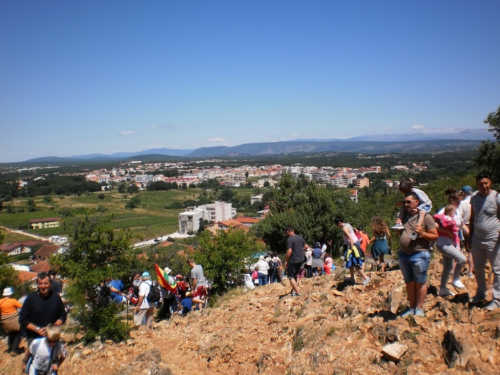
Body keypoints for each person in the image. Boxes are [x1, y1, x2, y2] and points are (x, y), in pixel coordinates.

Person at [398, 192, 438, 318]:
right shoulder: (403, 217)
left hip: (419, 253)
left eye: (408, 202)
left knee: (420, 282)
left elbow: (435, 235)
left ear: (417, 202)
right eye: (404, 202)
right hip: (404, 254)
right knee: (409, 282)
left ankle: (419, 308)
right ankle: (411, 307)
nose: (406, 204)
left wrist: (422, 233)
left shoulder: (426, 217)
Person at [469, 173, 500, 310]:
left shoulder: (496, 197)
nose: (484, 186)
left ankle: (497, 299)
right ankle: (481, 293)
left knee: (497, 269)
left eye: (486, 183)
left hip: (493, 238)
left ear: (490, 182)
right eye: (481, 184)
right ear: (477, 185)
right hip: (477, 239)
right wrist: (470, 236)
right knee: (479, 268)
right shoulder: (474, 198)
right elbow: (472, 217)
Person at [19, 272, 67, 347]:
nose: (43, 286)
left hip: (52, 337)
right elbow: (23, 319)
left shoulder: (56, 298)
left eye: (45, 283)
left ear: (51, 284)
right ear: (37, 285)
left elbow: (62, 316)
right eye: (40, 284)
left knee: (53, 357)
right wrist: (37, 329)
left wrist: (52, 327)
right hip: (34, 337)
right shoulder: (31, 298)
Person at [334, 217, 370, 286]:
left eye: (336, 224)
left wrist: (352, 248)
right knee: (350, 262)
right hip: (355, 243)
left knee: (354, 262)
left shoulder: (345, 228)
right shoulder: (348, 224)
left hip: (353, 245)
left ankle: (365, 278)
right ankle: (352, 277)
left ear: (339, 223)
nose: (337, 226)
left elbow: (350, 238)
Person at [284, 227, 307, 297]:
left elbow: (289, 251)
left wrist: (286, 261)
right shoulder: (300, 237)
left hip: (294, 259)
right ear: (293, 231)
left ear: (287, 232)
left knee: (290, 276)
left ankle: (297, 292)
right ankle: (294, 290)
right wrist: (300, 249)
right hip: (301, 259)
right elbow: (306, 246)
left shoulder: (289, 239)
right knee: (295, 275)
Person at [0, 287, 23, 355]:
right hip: (14, 321)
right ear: (10, 294)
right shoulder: (13, 301)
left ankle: (10, 348)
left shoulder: (0, 301)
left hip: (5, 322)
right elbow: (22, 307)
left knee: (10, 334)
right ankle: (15, 350)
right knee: (18, 334)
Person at [459, 185, 474, 277]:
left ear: (463, 193)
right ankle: (471, 271)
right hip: (474, 226)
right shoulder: (475, 202)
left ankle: (455, 271)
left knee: (460, 249)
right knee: (471, 250)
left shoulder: (461, 203)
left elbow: (459, 218)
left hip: (464, 226)